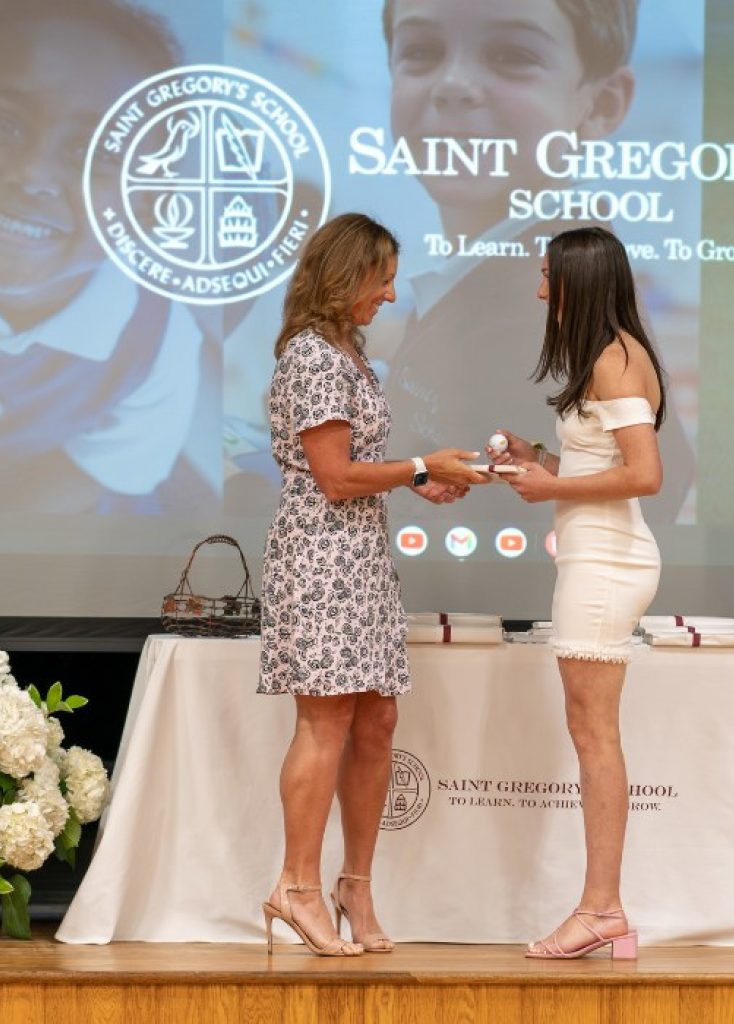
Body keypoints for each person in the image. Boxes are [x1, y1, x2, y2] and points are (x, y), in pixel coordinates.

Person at [258, 212, 486, 957]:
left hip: (358, 556)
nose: (391, 294)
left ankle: (353, 885)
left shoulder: (345, 353)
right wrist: (423, 466)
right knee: (325, 722)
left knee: (377, 720)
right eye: (382, 277)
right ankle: (295, 887)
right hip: (320, 559)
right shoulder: (312, 359)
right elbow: (331, 477)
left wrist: (418, 483)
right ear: (347, 274)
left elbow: (359, 469)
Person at [381, 0, 695, 530]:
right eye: (421, 51)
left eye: (511, 54)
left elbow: (663, 478)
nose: (453, 84)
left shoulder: (564, 296)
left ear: (601, 104)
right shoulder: (475, 281)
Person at [0, 0, 213, 513]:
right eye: (1, 123)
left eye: (95, 154)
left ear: (146, 204)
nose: (33, 175)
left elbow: (94, 473)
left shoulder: (158, 339)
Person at [490, 225, 665, 959]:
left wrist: (551, 485)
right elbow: (606, 460)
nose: (538, 292)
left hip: (607, 563)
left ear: (579, 282)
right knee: (592, 734)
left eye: (547, 278)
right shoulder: (609, 354)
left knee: (595, 737)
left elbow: (645, 474)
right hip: (596, 557)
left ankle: (601, 908)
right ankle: (603, 908)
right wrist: (543, 459)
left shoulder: (616, 358)